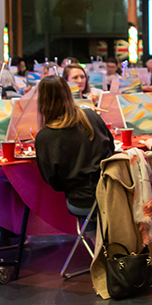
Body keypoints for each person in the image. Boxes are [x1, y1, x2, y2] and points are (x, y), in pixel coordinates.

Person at [35, 77, 114, 217]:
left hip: (82, 200)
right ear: (68, 93)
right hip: (112, 193)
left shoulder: (45, 136)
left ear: (42, 100)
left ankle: (93, 237)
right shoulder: (91, 116)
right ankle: (95, 236)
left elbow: (53, 182)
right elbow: (111, 147)